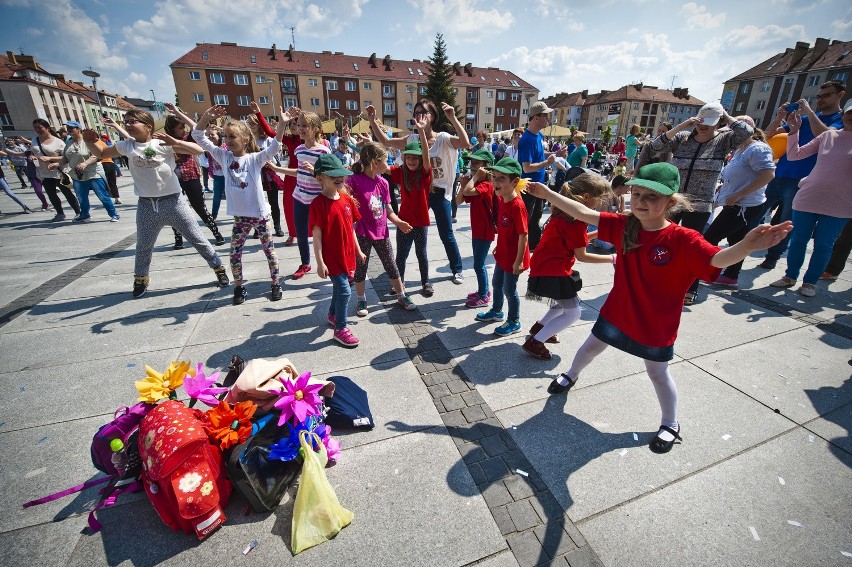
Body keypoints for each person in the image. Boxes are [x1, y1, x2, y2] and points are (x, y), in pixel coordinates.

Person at [527, 162, 792, 453]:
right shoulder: (625, 225)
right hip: (618, 311)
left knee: (657, 373)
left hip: (656, 324)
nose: (641, 202)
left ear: (671, 201)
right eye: (637, 194)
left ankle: (670, 422)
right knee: (590, 347)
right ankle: (571, 375)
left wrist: (746, 246)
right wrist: (547, 193)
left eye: (651, 196)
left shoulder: (683, 239)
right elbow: (583, 213)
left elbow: (717, 260)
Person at [83, 111, 229, 297]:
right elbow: (102, 152)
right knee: (143, 245)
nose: (127, 124)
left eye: (132, 121)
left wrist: (174, 143)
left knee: (197, 239)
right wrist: (89, 142)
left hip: (173, 202)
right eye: (125, 122)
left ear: (148, 126)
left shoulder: (161, 143)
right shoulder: (127, 145)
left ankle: (218, 268)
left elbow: (198, 150)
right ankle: (141, 278)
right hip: (147, 205)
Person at [650, 101, 753, 304]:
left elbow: (746, 132)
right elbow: (655, 146)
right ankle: (657, 279)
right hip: (673, 199)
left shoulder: (723, 140)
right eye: (701, 121)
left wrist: (725, 116)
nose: (702, 125)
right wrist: (682, 125)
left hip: (700, 203)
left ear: (718, 123)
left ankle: (690, 287)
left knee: (693, 248)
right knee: (661, 240)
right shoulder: (683, 138)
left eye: (709, 122)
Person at [193, 105, 291, 305]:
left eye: (232, 137)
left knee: (269, 252)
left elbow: (275, 147)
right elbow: (198, 136)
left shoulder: (255, 159)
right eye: (226, 136)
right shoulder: (223, 156)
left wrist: (281, 124)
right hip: (240, 218)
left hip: (260, 216)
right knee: (234, 254)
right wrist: (205, 117)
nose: (227, 141)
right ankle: (238, 287)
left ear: (245, 140)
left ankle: (275, 283)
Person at [369, 99, 469, 284]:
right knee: (410, 233)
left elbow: (465, 142)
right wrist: (373, 121)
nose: (419, 115)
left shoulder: (443, 139)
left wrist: (453, 118)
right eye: (416, 112)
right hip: (419, 193)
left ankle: (457, 269)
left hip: (439, 193)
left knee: (446, 233)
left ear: (433, 117)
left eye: (424, 112)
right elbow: (385, 141)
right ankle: (400, 271)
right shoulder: (412, 139)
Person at [523, 173, 615, 360]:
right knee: (574, 312)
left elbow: (575, 243)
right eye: (598, 200)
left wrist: (599, 232)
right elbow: (581, 255)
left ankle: (540, 327)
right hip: (553, 270)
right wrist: (613, 259)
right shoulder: (576, 222)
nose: (598, 205)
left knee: (560, 304)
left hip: (546, 267)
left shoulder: (563, 215)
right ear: (587, 198)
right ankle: (536, 341)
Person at [757, 80, 846, 270]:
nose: (820, 100)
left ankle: (772, 256)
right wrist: (779, 116)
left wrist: (810, 112)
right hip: (779, 174)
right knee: (756, 211)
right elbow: (766, 135)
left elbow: (828, 137)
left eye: (826, 95)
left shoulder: (840, 121)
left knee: (786, 222)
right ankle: (741, 246)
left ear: (840, 95)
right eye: (818, 97)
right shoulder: (804, 120)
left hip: (802, 181)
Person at [768, 101, 852, 297]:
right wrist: (794, 131)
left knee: (824, 244)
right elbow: (795, 154)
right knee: (798, 240)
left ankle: (810, 282)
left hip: (841, 203)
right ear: (845, 114)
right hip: (809, 196)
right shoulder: (828, 135)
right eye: (850, 112)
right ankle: (790, 276)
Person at [704, 118, 775, 288]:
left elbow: (767, 175)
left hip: (743, 205)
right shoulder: (741, 150)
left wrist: (738, 194)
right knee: (737, 241)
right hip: (739, 204)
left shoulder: (757, 148)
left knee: (710, 238)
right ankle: (730, 276)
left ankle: (703, 270)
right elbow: (739, 175)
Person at [349, 141, 417, 317]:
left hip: (381, 232)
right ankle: (361, 299)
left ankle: (401, 295)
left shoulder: (384, 183)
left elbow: (388, 210)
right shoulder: (354, 181)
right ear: (375, 163)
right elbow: (341, 196)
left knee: (391, 266)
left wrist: (399, 222)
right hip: (362, 232)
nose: (389, 164)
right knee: (360, 268)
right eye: (386, 160)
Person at [309, 154, 366, 347]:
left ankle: (333, 313)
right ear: (320, 178)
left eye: (341, 175)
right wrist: (319, 262)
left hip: (348, 254)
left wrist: (358, 250)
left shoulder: (346, 199)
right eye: (334, 175)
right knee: (344, 291)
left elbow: (351, 228)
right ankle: (341, 328)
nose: (340, 178)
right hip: (331, 257)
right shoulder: (318, 204)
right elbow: (316, 236)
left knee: (343, 287)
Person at [474, 157, 530, 337]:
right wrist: (499, 247)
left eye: (501, 179)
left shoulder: (517, 205)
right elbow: (507, 231)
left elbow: (524, 236)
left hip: (514, 258)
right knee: (496, 283)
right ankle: (497, 311)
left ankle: (514, 321)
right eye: (494, 177)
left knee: (509, 289)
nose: (495, 182)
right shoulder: (501, 200)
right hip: (503, 254)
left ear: (515, 182)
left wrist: (519, 261)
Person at [277, 110, 330, 279]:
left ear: (316, 129)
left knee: (323, 234)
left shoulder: (323, 152)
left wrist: (315, 171)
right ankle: (305, 263)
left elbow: (329, 177)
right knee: (300, 233)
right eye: (298, 125)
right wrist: (277, 169)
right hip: (299, 197)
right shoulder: (299, 149)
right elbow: (299, 172)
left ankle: (329, 262)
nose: (300, 128)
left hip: (317, 200)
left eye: (305, 125)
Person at [162, 106, 225, 247]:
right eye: (179, 128)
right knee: (174, 211)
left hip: (191, 177)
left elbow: (195, 127)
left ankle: (217, 234)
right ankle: (178, 240)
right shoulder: (164, 141)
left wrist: (178, 112)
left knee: (200, 208)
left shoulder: (187, 138)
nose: (183, 130)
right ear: (171, 129)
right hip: (173, 179)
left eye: (183, 127)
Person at [51, 121, 119, 222]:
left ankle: (114, 214)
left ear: (79, 129)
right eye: (68, 128)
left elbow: (97, 155)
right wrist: (58, 164)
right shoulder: (69, 142)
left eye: (72, 128)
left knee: (102, 195)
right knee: (81, 197)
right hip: (77, 174)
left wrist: (85, 163)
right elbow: (66, 158)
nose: (69, 130)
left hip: (93, 173)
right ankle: (85, 214)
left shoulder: (88, 140)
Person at [389, 138, 433, 297]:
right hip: (404, 222)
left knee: (421, 253)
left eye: (415, 158)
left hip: (420, 222)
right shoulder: (401, 172)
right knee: (401, 254)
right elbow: (381, 167)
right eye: (408, 157)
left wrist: (421, 132)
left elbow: (427, 158)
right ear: (404, 158)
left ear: (420, 160)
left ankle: (425, 282)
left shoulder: (425, 173)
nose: (411, 161)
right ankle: (399, 283)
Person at [519, 101, 564, 251]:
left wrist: (555, 154)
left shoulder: (537, 135)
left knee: (536, 217)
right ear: (536, 118)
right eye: (545, 116)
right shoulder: (527, 139)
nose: (548, 119)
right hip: (530, 186)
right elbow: (527, 167)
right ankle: (525, 248)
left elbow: (538, 155)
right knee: (528, 219)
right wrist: (547, 162)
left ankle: (533, 246)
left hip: (538, 184)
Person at [456, 149, 496, 308]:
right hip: (478, 229)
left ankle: (484, 295)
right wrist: (464, 183)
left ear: (486, 166)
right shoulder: (477, 183)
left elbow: (468, 192)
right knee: (478, 263)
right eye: (472, 163)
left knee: (479, 264)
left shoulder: (486, 184)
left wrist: (475, 177)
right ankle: (483, 291)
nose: (472, 166)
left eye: (477, 163)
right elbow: (459, 200)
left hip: (485, 230)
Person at [247, 103, 286, 237]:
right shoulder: (247, 140)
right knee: (256, 202)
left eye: (252, 124)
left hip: (269, 172)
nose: (250, 127)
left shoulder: (267, 140)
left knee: (273, 201)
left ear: (258, 125)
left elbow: (277, 150)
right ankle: (258, 228)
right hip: (255, 174)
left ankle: (277, 226)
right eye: (248, 124)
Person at [29, 119, 80, 221]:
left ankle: (78, 212)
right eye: (35, 128)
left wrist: (50, 158)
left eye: (40, 127)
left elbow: (67, 157)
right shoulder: (35, 140)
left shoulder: (58, 142)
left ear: (47, 128)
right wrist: (32, 156)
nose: (37, 130)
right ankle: (60, 213)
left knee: (67, 193)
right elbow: (32, 152)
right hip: (44, 172)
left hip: (59, 172)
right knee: (51, 194)